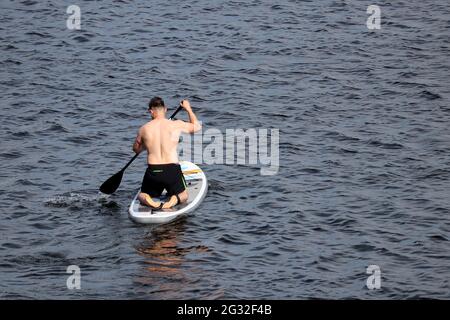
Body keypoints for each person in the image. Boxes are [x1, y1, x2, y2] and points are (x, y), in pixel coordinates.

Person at [132, 97, 201, 209]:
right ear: (165, 109)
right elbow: (196, 127)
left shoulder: (144, 129)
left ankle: (150, 201)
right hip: (171, 170)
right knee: (184, 195)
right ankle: (173, 200)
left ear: (151, 111)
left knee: (142, 195)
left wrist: (146, 145)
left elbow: (136, 149)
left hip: (153, 171)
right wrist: (188, 108)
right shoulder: (176, 124)